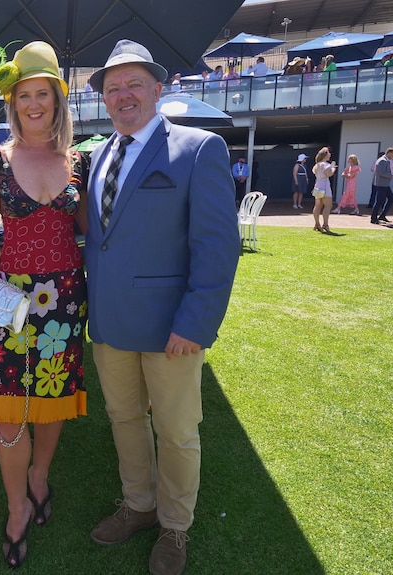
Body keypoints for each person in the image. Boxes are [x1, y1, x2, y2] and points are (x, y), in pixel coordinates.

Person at [84, 39, 239, 575]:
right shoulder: (101, 152)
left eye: (133, 84)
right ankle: (139, 505)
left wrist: (196, 322)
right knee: (124, 419)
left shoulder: (199, 148)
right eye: (112, 88)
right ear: (104, 98)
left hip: (172, 328)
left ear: (157, 87)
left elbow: (217, 247)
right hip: (109, 325)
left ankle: (175, 527)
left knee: (176, 432)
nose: (123, 95)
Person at [0, 40, 89, 568]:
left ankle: (40, 475)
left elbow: (91, 234)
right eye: (23, 96)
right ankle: (17, 507)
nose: (33, 105)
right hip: (12, 300)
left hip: (65, 301)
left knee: (53, 400)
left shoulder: (79, 161)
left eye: (43, 94)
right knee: (9, 409)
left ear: (58, 100)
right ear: (11, 103)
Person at [371, 147, 393, 224]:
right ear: (389, 153)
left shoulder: (386, 160)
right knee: (379, 201)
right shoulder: (382, 161)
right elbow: (382, 173)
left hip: (385, 184)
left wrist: (392, 175)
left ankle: (382, 215)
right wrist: (392, 176)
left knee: (391, 198)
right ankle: (373, 218)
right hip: (381, 184)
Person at [311, 147, 336, 232]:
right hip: (324, 186)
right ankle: (325, 224)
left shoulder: (317, 165)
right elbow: (329, 173)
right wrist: (333, 168)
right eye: (328, 153)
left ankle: (317, 223)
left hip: (317, 185)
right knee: (328, 205)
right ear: (325, 155)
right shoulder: (325, 164)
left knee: (317, 206)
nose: (330, 154)